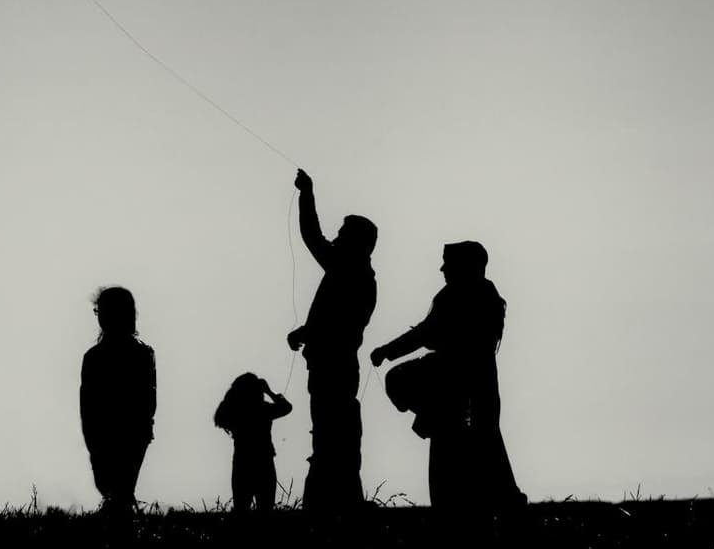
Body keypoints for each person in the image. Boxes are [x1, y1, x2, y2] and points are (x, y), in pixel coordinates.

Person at [370, 241, 526, 510]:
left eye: (448, 262)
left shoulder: (458, 296)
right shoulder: (486, 295)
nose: (442, 268)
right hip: (477, 388)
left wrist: (388, 351)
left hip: (455, 390)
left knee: (457, 455)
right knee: (487, 450)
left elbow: (426, 333)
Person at [285, 169, 378, 515]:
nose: (335, 239)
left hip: (332, 366)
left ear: (357, 242)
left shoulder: (348, 271)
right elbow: (338, 320)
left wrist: (307, 192)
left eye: (342, 234)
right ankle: (339, 503)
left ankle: (327, 506)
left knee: (329, 436)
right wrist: (307, 332)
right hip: (335, 364)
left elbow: (311, 235)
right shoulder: (357, 275)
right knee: (334, 434)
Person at [80, 286, 156, 517]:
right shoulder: (143, 354)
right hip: (129, 435)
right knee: (120, 493)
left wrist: (94, 445)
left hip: (110, 436)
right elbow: (149, 402)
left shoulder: (94, 358)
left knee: (118, 494)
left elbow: (88, 407)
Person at [214, 373, 293, 513]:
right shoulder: (263, 409)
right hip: (264, 463)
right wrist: (270, 391)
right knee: (265, 511)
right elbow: (286, 407)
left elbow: (219, 417)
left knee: (241, 511)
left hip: (241, 463)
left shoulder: (234, 411)